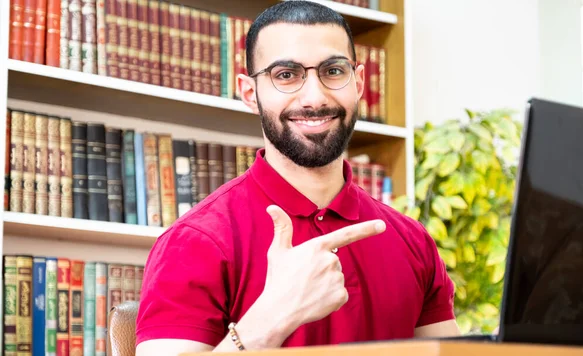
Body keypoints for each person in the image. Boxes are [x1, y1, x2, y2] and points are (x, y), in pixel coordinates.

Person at [135, 1, 460, 354]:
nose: (314, 97)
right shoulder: (195, 242)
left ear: (360, 83)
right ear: (250, 93)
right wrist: (272, 317)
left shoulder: (413, 241)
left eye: (333, 71)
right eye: (286, 75)